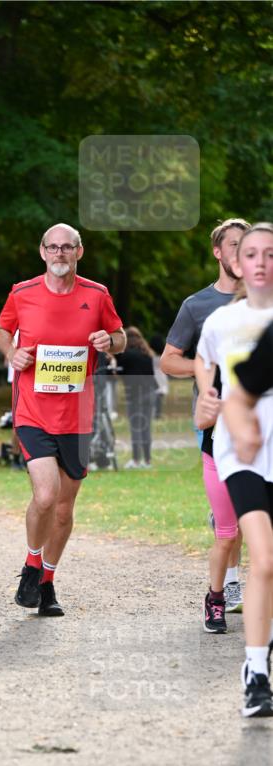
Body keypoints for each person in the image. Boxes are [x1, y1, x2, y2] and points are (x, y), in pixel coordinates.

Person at [0, 222, 126, 616]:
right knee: (46, 495)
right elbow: (2, 329)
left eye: (67, 248)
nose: (60, 254)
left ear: (79, 252)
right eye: (53, 248)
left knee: (65, 509)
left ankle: (46, 583)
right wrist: (10, 353)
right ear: (42, 252)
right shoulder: (23, 292)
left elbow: (117, 336)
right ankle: (32, 565)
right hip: (33, 409)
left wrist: (109, 342)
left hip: (78, 416)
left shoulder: (97, 294)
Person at [196, 223, 273, 717]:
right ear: (237, 263)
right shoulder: (221, 322)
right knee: (263, 560)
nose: (262, 262)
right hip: (240, 455)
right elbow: (209, 368)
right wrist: (212, 404)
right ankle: (256, 671)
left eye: (271, 253)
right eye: (252, 253)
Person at [162, 218, 250, 614]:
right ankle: (228, 584)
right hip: (214, 426)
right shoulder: (196, 306)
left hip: (257, 423)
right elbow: (168, 360)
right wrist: (208, 371)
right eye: (233, 245)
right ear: (218, 252)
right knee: (231, 519)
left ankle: (234, 583)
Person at [119, 326, 157, 469]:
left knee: (136, 427)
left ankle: (136, 460)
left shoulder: (126, 355)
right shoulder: (147, 353)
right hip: (150, 392)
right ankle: (147, 461)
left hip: (135, 394)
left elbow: (120, 374)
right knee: (146, 427)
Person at [149, 334, 169, 419]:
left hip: (153, 380)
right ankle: (157, 414)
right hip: (160, 379)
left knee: (155, 397)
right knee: (158, 397)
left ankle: (156, 414)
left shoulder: (150, 357)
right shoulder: (163, 357)